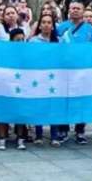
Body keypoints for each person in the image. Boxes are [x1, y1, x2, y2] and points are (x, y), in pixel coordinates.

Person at [56, 0, 92, 144]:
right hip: (64, 69)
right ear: (68, 10)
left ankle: (80, 130)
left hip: (82, 70)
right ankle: (63, 129)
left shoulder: (90, 29)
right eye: (72, 8)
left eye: (77, 8)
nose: (74, 10)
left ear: (83, 11)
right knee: (64, 99)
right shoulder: (61, 27)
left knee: (81, 99)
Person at [29, 13, 61, 146]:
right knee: (39, 104)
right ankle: (38, 135)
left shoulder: (59, 41)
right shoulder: (33, 41)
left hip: (54, 78)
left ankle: (54, 135)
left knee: (54, 105)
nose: (46, 25)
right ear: (40, 25)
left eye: (49, 22)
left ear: (53, 26)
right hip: (38, 77)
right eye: (44, 22)